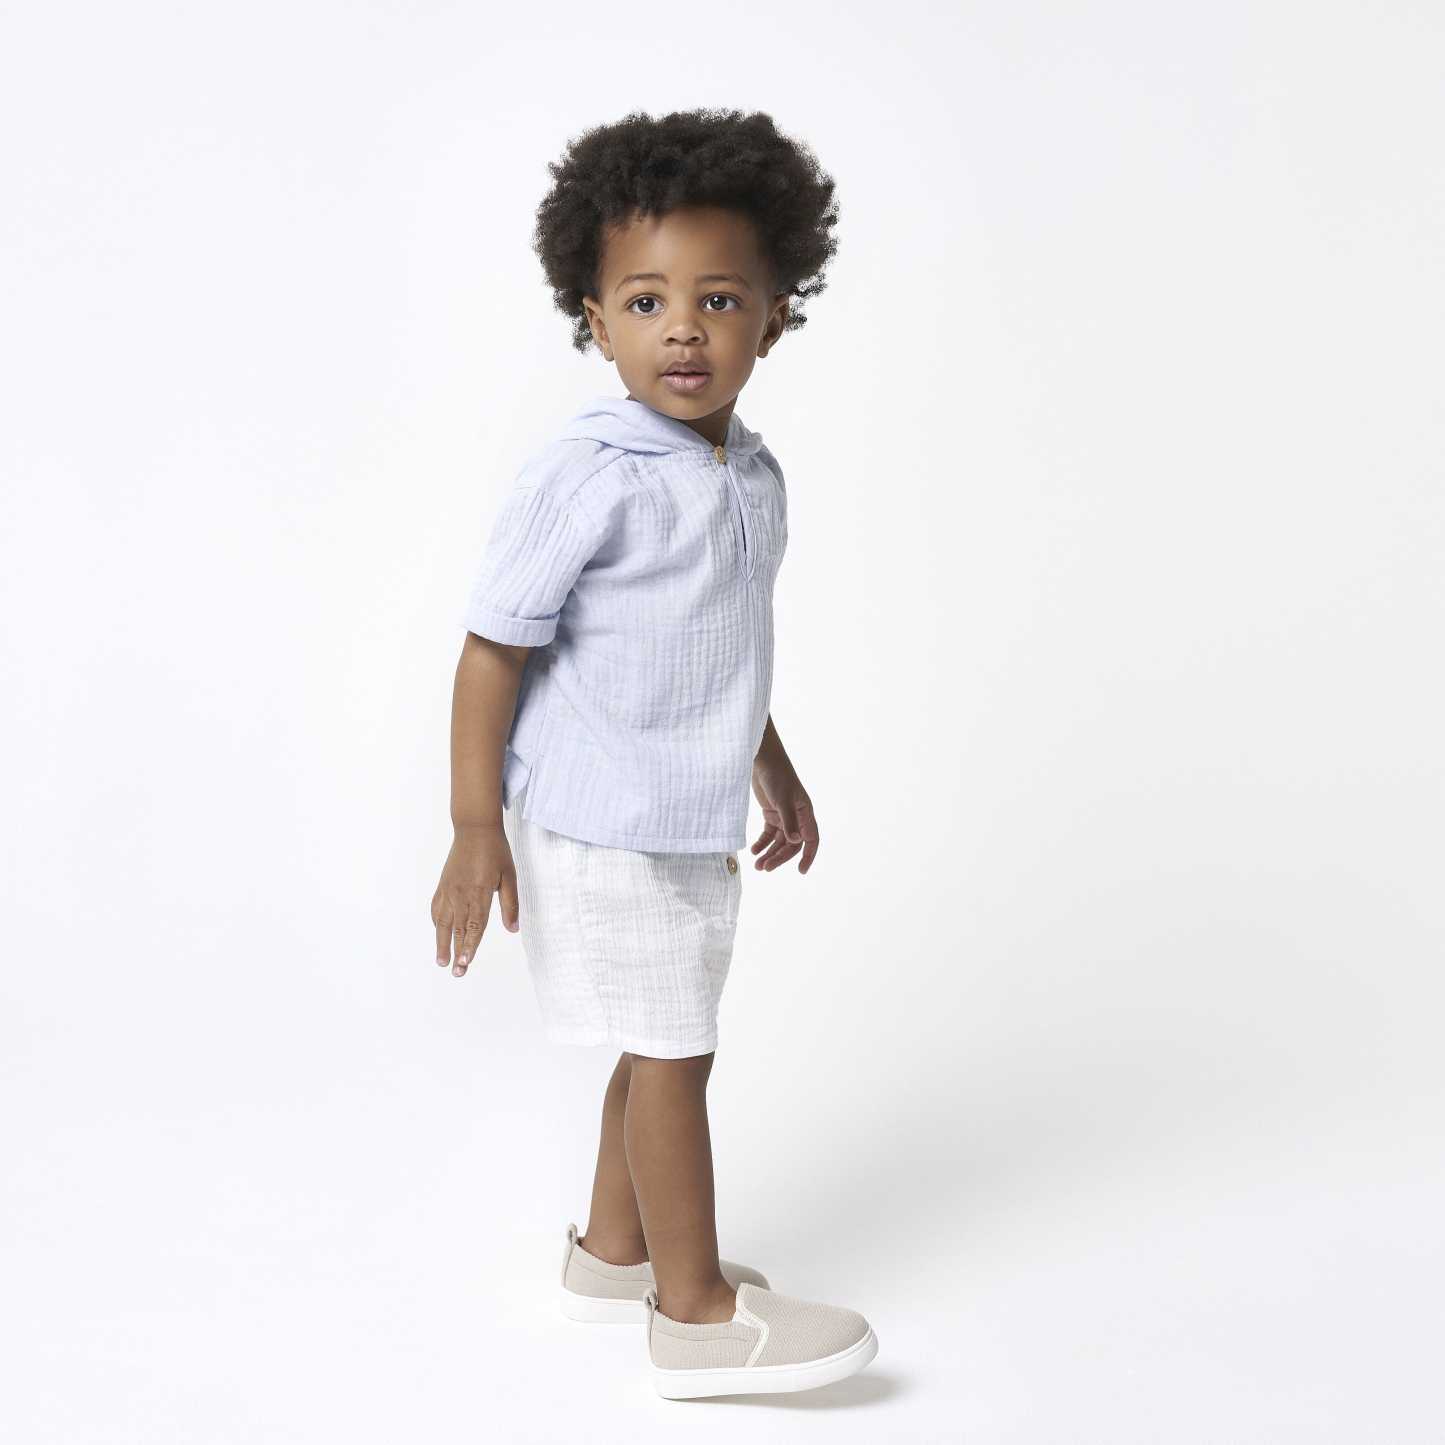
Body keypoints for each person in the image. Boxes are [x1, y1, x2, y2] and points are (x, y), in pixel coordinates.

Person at [431, 108, 877, 1399]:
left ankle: (616, 1253)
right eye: (645, 300)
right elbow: (492, 648)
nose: (683, 328)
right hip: (603, 820)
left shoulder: (749, 475)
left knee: (660, 1035)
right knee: (675, 1051)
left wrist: (767, 763)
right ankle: (695, 1315)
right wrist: (472, 827)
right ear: (595, 319)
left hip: (684, 810)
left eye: (718, 299)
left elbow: (719, 646)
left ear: (774, 319)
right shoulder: (593, 474)